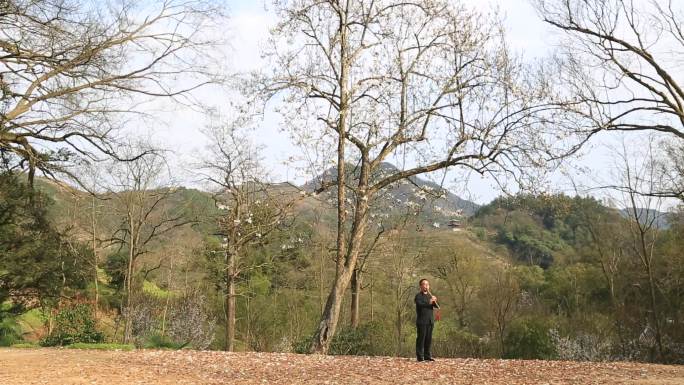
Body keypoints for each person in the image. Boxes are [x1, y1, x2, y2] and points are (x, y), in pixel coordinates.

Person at [415, 278, 438, 362]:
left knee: (428, 339)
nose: (426, 286)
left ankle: (427, 356)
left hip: (430, 321)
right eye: (424, 284)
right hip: (422, 321)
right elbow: (420, 304)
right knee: (421, 339)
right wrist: (429, 302)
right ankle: (420, 357)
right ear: (420, 286)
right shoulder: (418, 296)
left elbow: (436, 306)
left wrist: (435, 300)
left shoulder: (430, 296)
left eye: (427, 284)